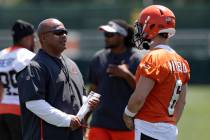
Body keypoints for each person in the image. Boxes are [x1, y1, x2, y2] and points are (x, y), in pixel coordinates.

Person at [16, 18, 99, 140]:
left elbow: (79, 96)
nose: (64, 35)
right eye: (58, 32)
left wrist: (87, 103)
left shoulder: (72, 64)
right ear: (43, 37)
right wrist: (67, 120)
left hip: (74, 135)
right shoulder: (35, 66)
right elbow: (34, 103)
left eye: (65, 32)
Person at [123, 5, 190, 140]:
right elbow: (181, 103)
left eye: (142, 26)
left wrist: (127, 114)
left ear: (152, 26)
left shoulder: (154, 57)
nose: (139, 31)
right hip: (170, 131)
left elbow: (139, 98)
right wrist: (167, 126)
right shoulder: (182, 61)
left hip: (148, 129)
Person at [87, 19, 144, 140]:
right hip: (99, 124)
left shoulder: (136, 59)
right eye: (105, 34)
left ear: (121, 36)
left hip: (126, 125)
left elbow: (142, 93)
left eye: (109, 35)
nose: (106, 38)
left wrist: (126, 75)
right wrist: (84, 118)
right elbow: (92, 90)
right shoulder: (98, 58)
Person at [0, 19, 35, 140]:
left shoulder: (1, 55)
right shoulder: (29, 56)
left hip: (2, 110)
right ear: (27, 38)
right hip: (21, 111)